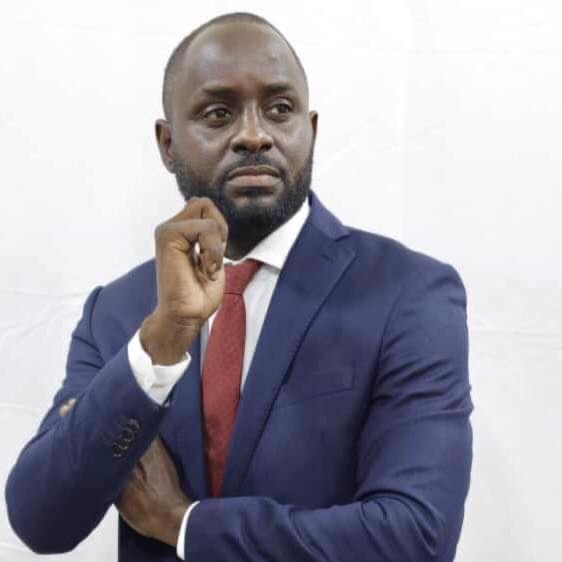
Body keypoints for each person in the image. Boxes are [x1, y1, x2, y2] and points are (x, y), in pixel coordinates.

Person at [5, 11, 473, 562]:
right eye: (218, 113)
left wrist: (183, 524)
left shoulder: (407, 294)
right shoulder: (119, 313)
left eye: (280, 109)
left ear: (311, 130)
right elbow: (41, 520)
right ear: (167, 143)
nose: (254, 134)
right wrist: (159, 344)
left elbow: (415, 537)